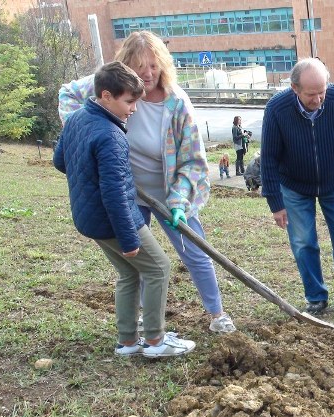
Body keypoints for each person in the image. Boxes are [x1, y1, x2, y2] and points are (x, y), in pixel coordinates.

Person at [58, 31, 237, 334]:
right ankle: (144, 318)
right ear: (126, 66)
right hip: (127, 192)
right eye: (139, 66)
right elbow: (68, 93)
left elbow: (192, 160)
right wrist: (84, 129)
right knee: (139, 257)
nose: (148, 73)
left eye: (153, 65)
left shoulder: (176, 104)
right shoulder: (113, 87)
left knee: (195, 251)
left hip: (169, 193)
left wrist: (179, 201)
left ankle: (217, 313)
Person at [53, 61, 195, 358]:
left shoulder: (78, 117)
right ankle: (156, 341)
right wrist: (130, 239)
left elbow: (60, 160)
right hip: (113, 221)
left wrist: (86, 175)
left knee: (129, 274)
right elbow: (116, 196)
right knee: (158, 268)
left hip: (89, 219)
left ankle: (128, 341)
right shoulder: (112, 136)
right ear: (106, 95)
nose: (134, 109)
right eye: (129, 101)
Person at [260, 58, 334, 315]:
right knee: (303, 242)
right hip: (294, 187)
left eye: (323, 91)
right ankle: (316, 298)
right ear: (295, 89)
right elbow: (268, 159)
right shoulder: (277, 109)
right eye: (312, 94)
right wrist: (275, 203)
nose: (319, 99)